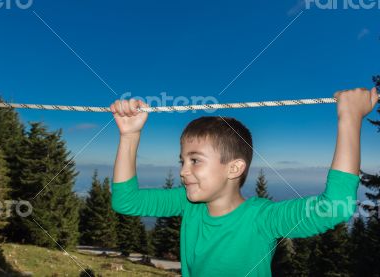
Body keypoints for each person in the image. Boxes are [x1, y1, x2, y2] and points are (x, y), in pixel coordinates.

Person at [109, 88, 379, 276]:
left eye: (195, 160)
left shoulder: (262, 219)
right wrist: (129, 136)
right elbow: (125, 201)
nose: (182, 171)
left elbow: (335, 207)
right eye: (182, 161)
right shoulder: (189, 203)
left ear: (234, 168)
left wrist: (350, 119)